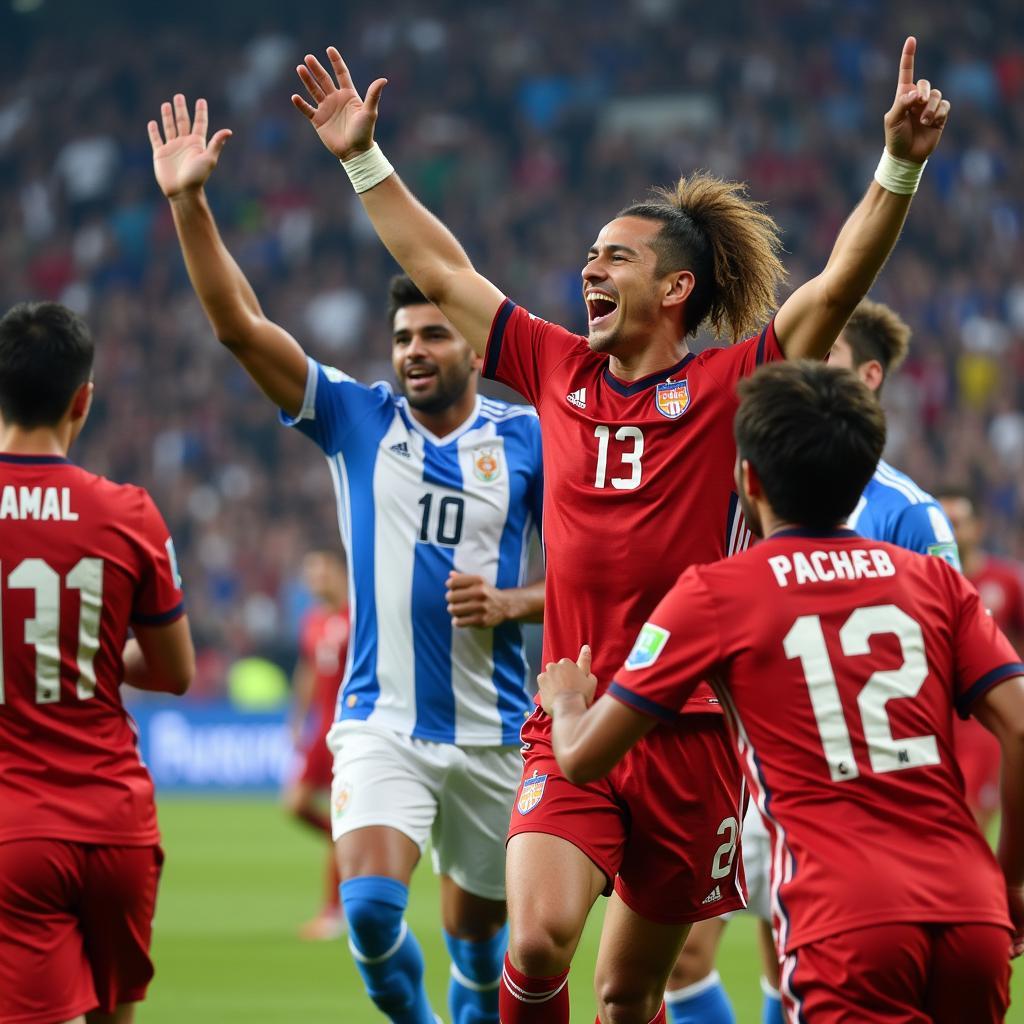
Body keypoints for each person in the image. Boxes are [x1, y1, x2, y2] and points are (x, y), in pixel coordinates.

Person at [291, 36, 950, 1024]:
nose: (587, 268)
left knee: (628, 989)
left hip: (688, 733)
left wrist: (898, 163)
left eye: (615, 257)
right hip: (570, 712)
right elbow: (439, 263)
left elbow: (837, 285)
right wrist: (361, 159)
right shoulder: (556, 369)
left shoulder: (730, 383)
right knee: (539, 937)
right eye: (589, 254)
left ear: (674, 289)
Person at [148, 98, 545, 1024]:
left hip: (497, 733)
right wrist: (189, 206)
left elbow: (584, 572)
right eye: (402, 338)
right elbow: (242, 327)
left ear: (474, 349)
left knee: (482, 959)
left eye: (433, 334)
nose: (412, 351)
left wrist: (516, 602)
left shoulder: (530, 439)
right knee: (370, 917)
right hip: (383, 723)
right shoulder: (356, 421)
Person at [539, 360, 1024, 1024]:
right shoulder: (936, 581)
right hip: (972, 911)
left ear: (748, 478)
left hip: (846, 916)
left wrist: (568, 700)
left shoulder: (718, 592)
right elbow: (1021, 727)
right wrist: (1014, 876)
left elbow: (584, 758)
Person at [665, 297, 965, 1024]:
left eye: (822, 358)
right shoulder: (753, 480)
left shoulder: (910, 515)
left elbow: (942, 665)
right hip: (743, 753)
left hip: (843, 776)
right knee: (682, 957)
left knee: (788, 954)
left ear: (867, 376)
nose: (799, 368)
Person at [0, 302, 195, 1024]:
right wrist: (87, 655)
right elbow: (175, 671)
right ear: (83, 399)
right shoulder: (129, 512)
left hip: (17, 830)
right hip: (118, 827)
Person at [939, 485, 1024, 830]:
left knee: (969, 822)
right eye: (943, 523)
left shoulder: (1006, 581)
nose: (951, 532)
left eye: (957, 523)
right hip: (935, 724)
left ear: (978, 527)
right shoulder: (922, 585)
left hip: (982, 727)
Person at [284, 549, 350, 941]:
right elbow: (309, 668)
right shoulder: (312, 620)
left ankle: (333, 913)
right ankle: (350, 844)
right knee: (294, 804)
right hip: (320, 731)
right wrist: (297, 719)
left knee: (341, 816)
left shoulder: (358, 617)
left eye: (320, 570)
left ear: (339, 571)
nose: (313, 579)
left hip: (349, 729)